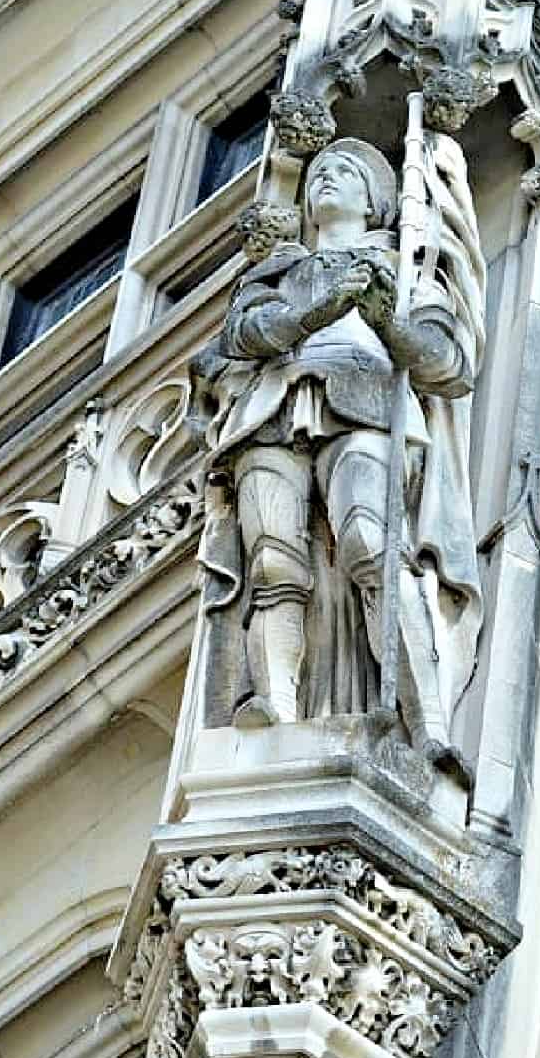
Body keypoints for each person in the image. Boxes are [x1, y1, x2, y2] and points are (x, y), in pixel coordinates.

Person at [190, 134, 486, 779]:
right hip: (271, 411)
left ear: (375, 198)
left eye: (345, 171)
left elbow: (447, 365)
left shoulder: (407, 266)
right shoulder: (278, 269)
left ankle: (428, 724)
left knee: (370, 543)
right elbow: (245, 335)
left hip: (366, 404)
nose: (326, 179)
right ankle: (275, 702)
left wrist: (384, 318)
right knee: (272, 558)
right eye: (319, 171)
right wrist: (315, 308)